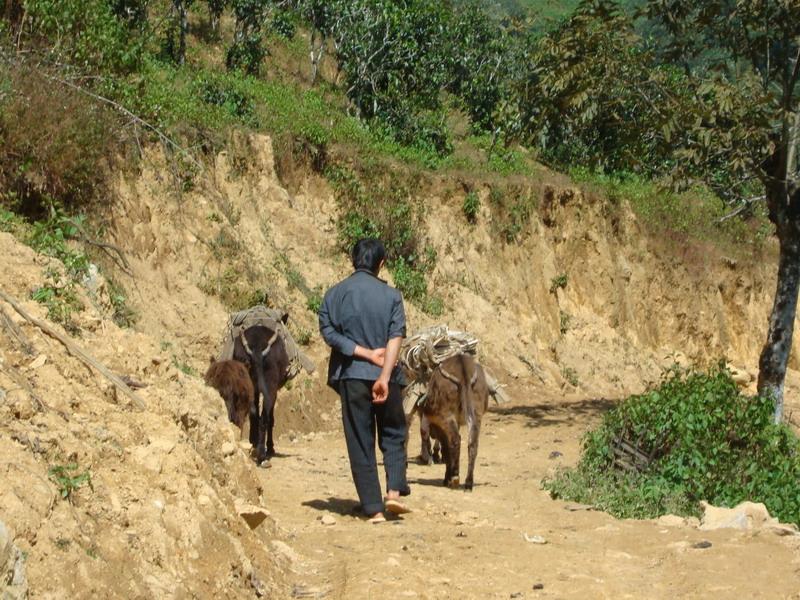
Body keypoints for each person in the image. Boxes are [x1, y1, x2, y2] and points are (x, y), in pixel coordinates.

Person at [319, 238, 411, 523]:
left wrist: (363, 353)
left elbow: (328, 332)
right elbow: (396, 337)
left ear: (353, 261)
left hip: (352, 376)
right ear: (381, 264)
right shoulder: (392, 297)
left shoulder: (335, 295)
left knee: (360, 439)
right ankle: (393, 493)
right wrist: (384, 374)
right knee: (394, 431)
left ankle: (373, 509)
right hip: (387, 376)